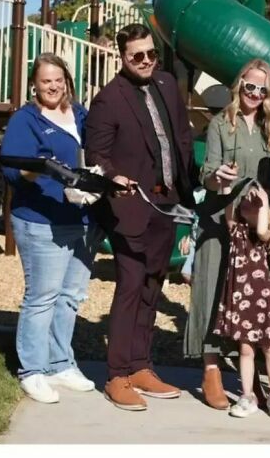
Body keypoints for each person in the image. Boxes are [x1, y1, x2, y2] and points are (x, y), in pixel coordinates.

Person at [85, 22, 195, 411]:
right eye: (138, 56)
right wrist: (114, 176)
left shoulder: (166, 84)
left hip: (167, 204)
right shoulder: (109, 99)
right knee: (130, 287)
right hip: (129, 207)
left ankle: (140, 366)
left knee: (153, 286)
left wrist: (190, 188)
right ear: (123, 57)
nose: (147, 61)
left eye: (151, 54)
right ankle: (116, 375)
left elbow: (181, 135)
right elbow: (95, 154)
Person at [0, 54, 104, 404]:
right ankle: (33, 370)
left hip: (81, 219)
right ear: (35, 84)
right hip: (40, 220)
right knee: (42, 297)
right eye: (46, 81)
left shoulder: (80, 114)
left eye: (58, 79)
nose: (54, 86)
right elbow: (13, 171)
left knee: (71, 296)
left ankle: (61, 363)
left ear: (67, 81)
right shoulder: (25, 120)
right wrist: (43, 170)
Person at [184, 58, 270, 411]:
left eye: (262, 88)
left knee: (249, 296)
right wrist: (219, 179)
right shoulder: (219, 125)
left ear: (268, 94)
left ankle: (249, 371)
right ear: (238, 85)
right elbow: (207, 176)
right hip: (218, 219)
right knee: (212, 289)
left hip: (254, 228)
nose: (254, 93)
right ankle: (210, 368)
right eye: (249, 86)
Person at [212, 181, 270, 419]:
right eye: (245, 203)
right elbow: (228, 210)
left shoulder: (262, 235)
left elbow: (263, 228)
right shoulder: (237, 231)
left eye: (252, 206)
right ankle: (247, 395)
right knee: (245, 350)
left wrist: (262, 203)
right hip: (241, 296)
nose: (248, 206)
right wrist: (228, 190)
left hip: (263, 299)